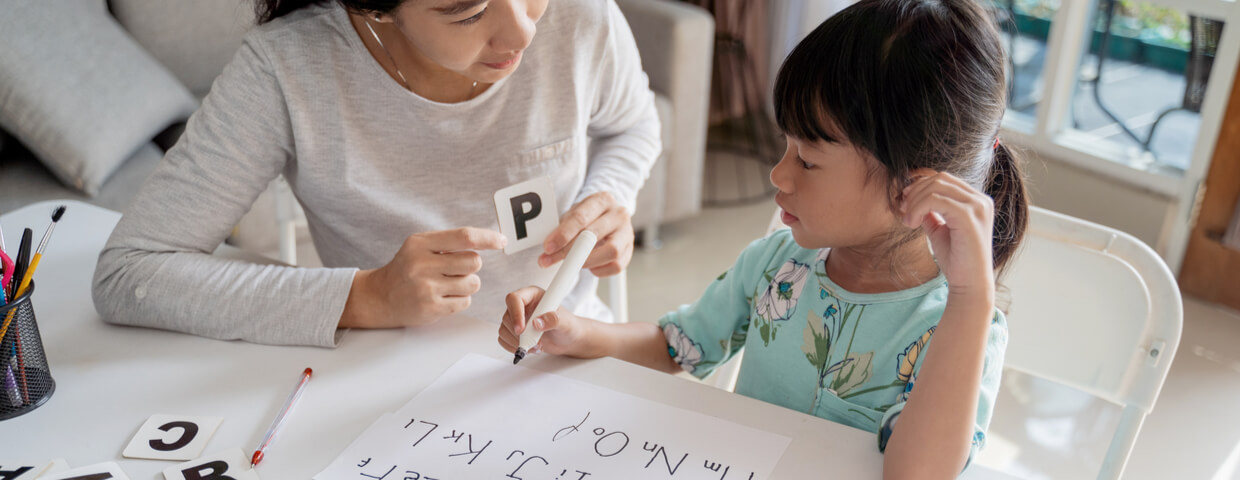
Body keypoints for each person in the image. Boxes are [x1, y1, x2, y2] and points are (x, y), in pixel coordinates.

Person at [497, 0, 1027, 475]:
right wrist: (577, 334)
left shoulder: (960, 327)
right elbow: (677, 344)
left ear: (912, 184)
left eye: (809, 160)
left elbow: (917, 472)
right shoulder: (781, 265)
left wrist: (970, 299)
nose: (779, 174)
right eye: (786, 147)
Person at [92, 0, 661, 347]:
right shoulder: (287, 68)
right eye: (467, 11)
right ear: (375, 7)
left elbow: (633, 125)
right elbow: (130, 274)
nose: (523, 34)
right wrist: (366, 298)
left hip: (569, 348)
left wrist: (608, 197)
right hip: (384, 373)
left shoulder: (581, 14)